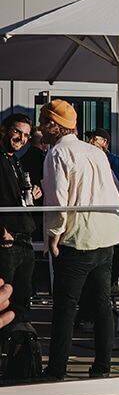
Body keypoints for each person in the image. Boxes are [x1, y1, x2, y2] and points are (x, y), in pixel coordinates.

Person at [39, 100, 119, 380]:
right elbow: (112, 191)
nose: (40, 127)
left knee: (65, 306)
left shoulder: (58, 153)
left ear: (55, 125)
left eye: (43, 121)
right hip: (108, 230)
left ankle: (56, 369)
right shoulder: (94, 151)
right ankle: (103, 366)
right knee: (101, 304)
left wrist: (53, 235)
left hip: (79, 235)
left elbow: (57, 201)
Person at [0, 114, 39, 333]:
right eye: (17, 132)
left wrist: (34, 193)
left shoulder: (14, 160)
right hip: (6, 240)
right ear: (4, 130)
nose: (21, 139)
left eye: (26, 135)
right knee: (3, 300)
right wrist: (2, 232)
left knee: (21, 303)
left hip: (23, 239)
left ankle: (14, 357)